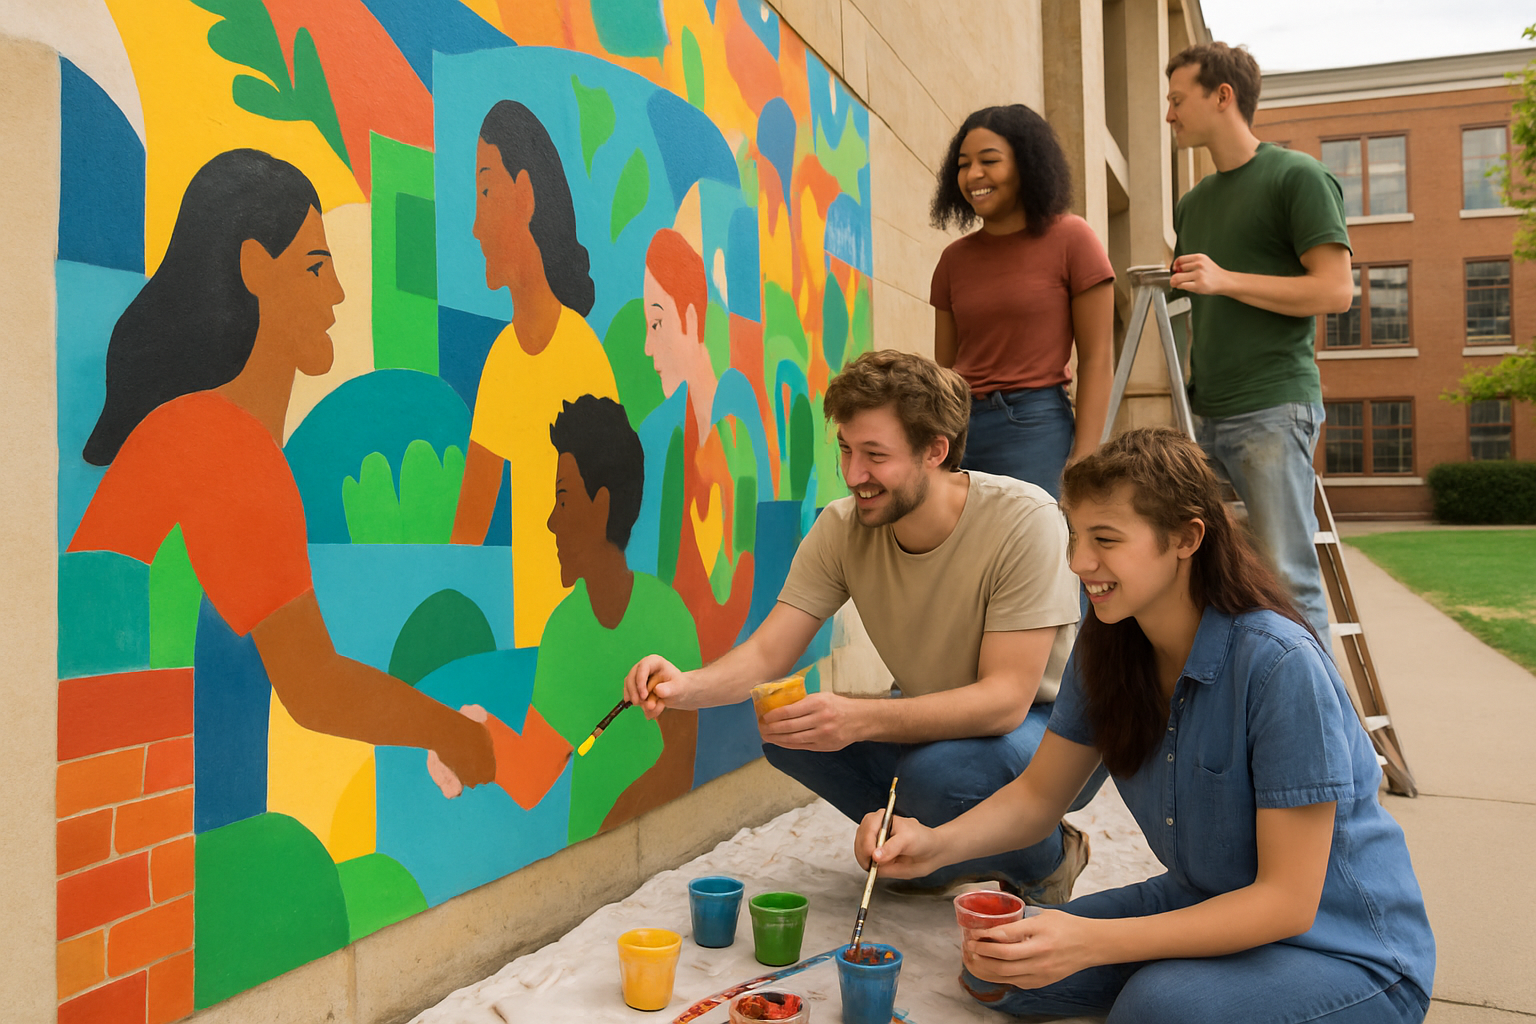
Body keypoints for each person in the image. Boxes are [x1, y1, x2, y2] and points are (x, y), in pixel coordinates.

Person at [857, 427, 1434, 1024]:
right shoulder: (1108, 646)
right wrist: (931, 846)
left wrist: (1094, 943)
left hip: (1344, 951)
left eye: (1105, 539)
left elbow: (1287, 903)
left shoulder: (1279, 664)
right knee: (998, 965)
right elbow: (1037, 797)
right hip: (1203, 899)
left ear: (1186, 538)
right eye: (1076, 537)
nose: (1081, 563)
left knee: (1159, 1008)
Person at [71, 148, 495, 793]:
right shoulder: (224, 444)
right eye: (315, 266)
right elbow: (313, 687)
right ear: (254, 268)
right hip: (111, 793)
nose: (337, 293)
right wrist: (455, 733)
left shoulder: (200, 429)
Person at [625, 349, 1101, 904]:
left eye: (875, 455)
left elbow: (1004, 701)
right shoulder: (841, 528)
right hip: (947, 725)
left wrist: (860, 717)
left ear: (935, 451)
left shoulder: (1025, 519)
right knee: (789, 730)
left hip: (1052, 730)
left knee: (938, 773)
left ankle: (1047, 858)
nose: (854, 475)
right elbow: (767, 654)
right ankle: (934, 860)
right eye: (846, 450)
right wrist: (685, 686)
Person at [1165, 42, 1354, 642]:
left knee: (1288, 581)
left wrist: (1224, 279)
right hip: (1205, 417)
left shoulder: (1296, 176)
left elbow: (1335, 291)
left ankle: (1318, 732)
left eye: (1177, 99)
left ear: (1223, 96)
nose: (1168, 114)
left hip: (1272, 409)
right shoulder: (1193, 204)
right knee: (1212, 581)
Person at [451, 99, 619, 649]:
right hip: (523, 644)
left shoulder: (582, 356)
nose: (475, 226)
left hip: (577, 642)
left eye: (485, 192)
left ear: (524, 196)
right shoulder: (501, 361)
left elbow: (611, 523)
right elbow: (468, 529)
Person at [930, 105, 1115, 500]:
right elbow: (943, 373)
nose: (973, 174)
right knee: (969, 557)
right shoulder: (953, 260)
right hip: (960, 431)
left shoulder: (1072, 238)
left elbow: (1098, 358)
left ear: (1026, 165)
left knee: (1035, 553)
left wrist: (1084, 457)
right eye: (963, 164)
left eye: (989, 161)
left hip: (1034, 427)